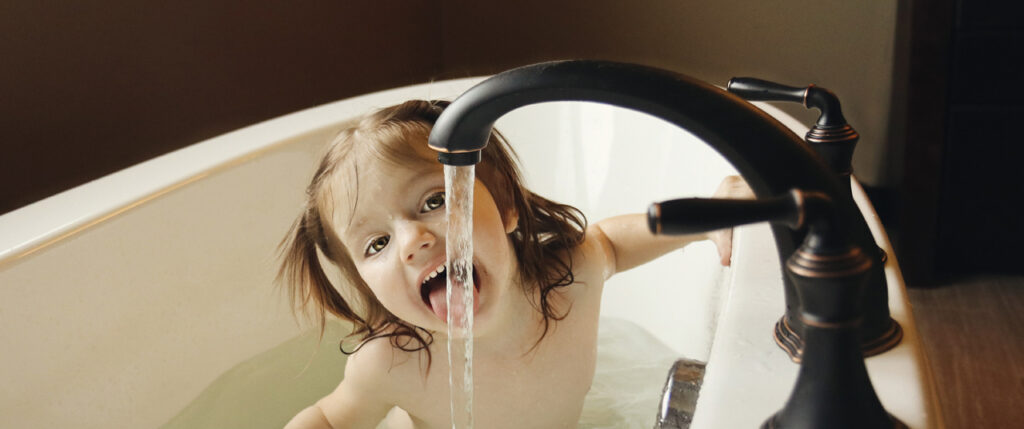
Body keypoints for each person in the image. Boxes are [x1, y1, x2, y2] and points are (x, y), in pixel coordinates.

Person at [278, 99, 749, 429]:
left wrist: (706, 216)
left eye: (434, 199)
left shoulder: (570, 280)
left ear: (503, 200)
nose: (412, 241)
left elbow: (612, 242)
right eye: (377, 243)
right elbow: (328, 420)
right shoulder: (393, 361)